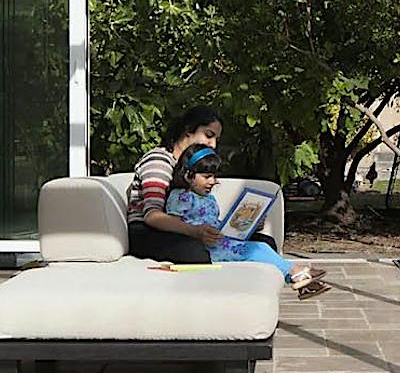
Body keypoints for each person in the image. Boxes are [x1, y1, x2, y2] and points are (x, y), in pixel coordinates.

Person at [167, 146, 330, 298]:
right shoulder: (180, 197)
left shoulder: (208, 198)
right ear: (188, 175)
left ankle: (300, 281)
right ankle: (295, 272)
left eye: (214, 176)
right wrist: (196, 234)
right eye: (207, 176)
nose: (213, 181)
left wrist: (247, 225)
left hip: (220, 242)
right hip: (206, 248)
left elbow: (214, 222)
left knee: (261, 246)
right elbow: (173, 224)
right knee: (257, 249)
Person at [125, 105, 225, 264]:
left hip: (182, 227)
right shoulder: (160, 160)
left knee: (263, 241)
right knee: (197, 252)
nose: (212, 144)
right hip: (147, 231)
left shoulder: (191, 167)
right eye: (208, 135)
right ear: (188, 130)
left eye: (216, 139)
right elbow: (152, 216)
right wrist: (195, 232)